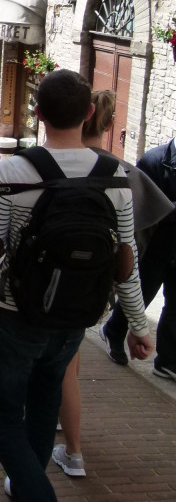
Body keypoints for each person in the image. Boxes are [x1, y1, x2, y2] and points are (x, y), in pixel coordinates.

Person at [0, 70, 153, 502]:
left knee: (3, 420)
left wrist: (12, 225)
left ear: (38, 115)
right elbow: (125, 260)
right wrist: (138, 325)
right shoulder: (116, 175)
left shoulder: (15, 169)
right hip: (77, 319)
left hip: (18, 313)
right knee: (42, 402)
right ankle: (28, 492)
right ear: (88, 116)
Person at [54, 91, 171, 477]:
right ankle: (69, 446)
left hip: (44, 286)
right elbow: (130, 255)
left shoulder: (40, 164)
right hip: (93, 289)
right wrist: (137, 324)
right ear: (105, 124)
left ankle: (69, 452)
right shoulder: (124, 175)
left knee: (54, 365)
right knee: (67, 360)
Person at [100, 134, 176, 380]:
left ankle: (167, 361)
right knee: (141, 293)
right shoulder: (154, 161)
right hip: (154, 244)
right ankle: (114, 330)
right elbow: (140, 208)